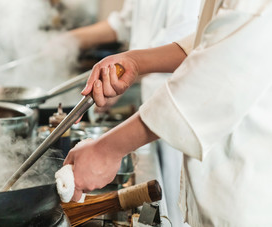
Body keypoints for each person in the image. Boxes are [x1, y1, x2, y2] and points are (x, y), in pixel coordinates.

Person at [64, 0, 272, 226]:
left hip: (245, 192)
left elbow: (218, 76)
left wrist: (106, 150)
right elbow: (211, 40)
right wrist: (136, 60)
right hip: (214, 175)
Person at [69, 1, 200, 225]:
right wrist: (133, 62)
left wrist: (107, 149)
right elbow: (199, 43)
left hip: (196, 134)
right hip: (160, 120)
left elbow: (208, 71)